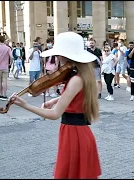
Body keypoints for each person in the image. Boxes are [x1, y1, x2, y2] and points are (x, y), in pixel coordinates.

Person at [9, 32, 101, 179]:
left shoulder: (75, 80)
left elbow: (54, 114)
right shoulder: (83, 75)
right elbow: (75, 96)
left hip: (74, 134)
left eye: (58, 54)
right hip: (78, 132)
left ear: (66, 56)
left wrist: (25, 105)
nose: (57, 57)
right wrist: (55, 100)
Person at [0, 35, 13, 101]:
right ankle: (4, 94)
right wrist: (10, 64)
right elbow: (11, 57)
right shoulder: (8, 48)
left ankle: (0, 94)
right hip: (5, 66)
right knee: (5, 81)